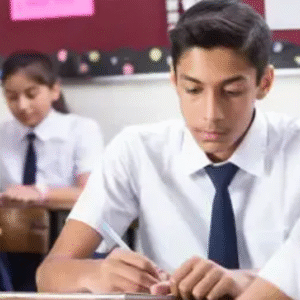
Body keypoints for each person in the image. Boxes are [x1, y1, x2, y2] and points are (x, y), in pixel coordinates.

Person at [37, 1, 299, 299]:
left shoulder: (294, 150)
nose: (211, 113)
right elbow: (48, 274)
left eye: (232, 91)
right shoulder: (137, 150)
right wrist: (96, 273)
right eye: (193, 90)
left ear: (264, 83)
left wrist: (249, 279)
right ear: (174, 80)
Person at [0, 51, 103, 291]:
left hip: (68, 243)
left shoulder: (81, 130)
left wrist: (39, 193)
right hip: (13, 242)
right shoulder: (3, 134)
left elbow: (91, 194)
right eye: (12, 97)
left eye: (31, 94)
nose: (22, 105)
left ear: (54, 90)